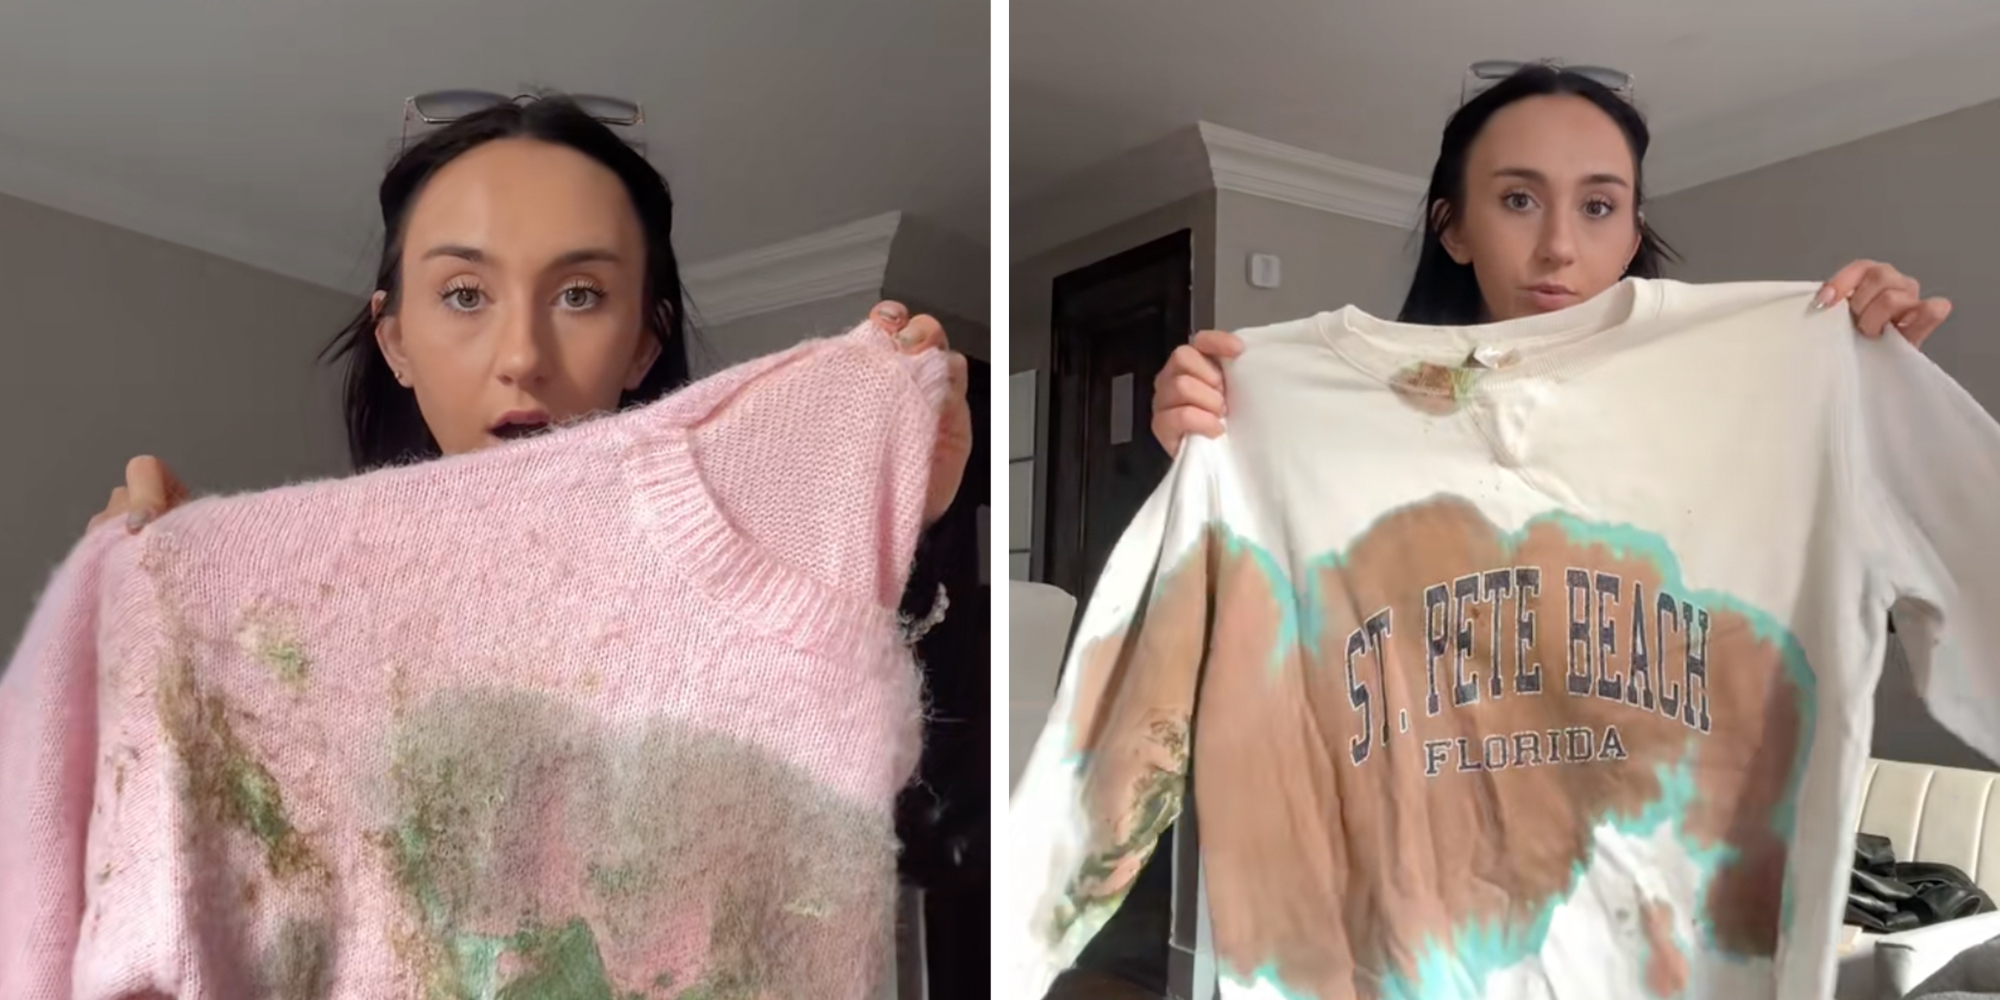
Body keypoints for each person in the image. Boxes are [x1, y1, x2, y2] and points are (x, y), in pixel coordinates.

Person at [83, 94, 972, 538]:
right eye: (465, 295)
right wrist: (171, 620)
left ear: (642, 346)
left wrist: (906, 527)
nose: (522, 357)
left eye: (579, 295)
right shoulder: (292, 603)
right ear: (395, 340)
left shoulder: (750, 567)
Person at [1148, 63, 1953, 457]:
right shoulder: (1351, 418)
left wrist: (1872, 385)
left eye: (1598, 207)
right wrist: (1218, 459)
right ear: (1453, 228)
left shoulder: (1719, 405)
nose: (1560, 246)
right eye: (1519, 200)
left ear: (1632, 238)